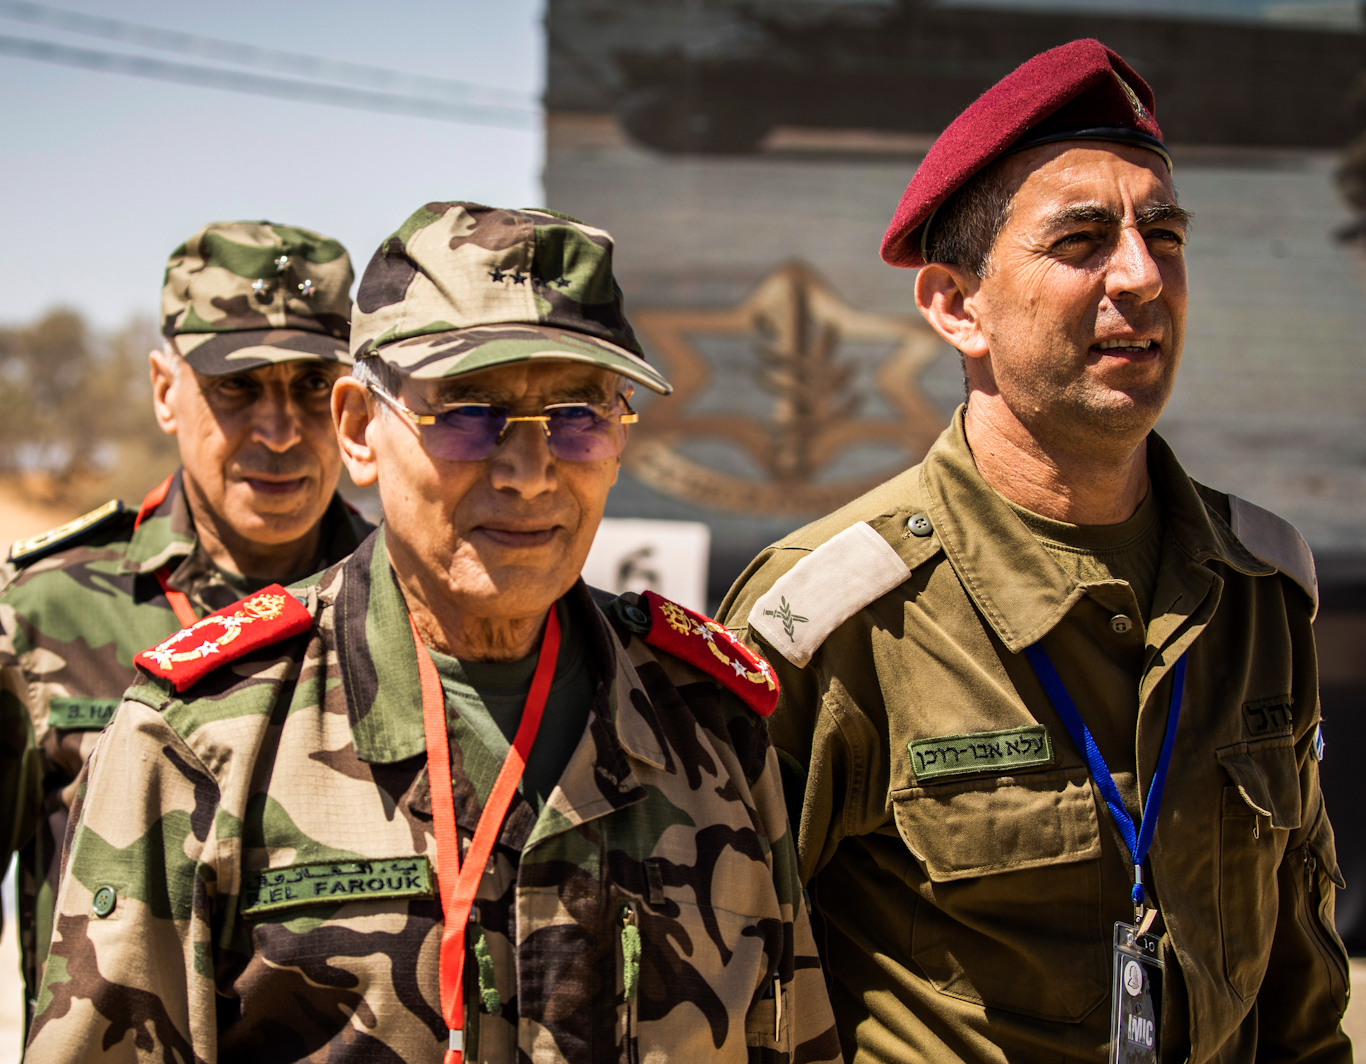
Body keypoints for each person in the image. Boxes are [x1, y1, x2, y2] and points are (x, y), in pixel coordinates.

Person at [26, 202, 841, 1064]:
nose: (529, 475)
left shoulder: (709, 718)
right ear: (358, 430)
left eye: (578, 416)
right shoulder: (196, 737)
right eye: (465, 412)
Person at [718, 39, 1349, 1064]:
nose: (1141, 276)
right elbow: (717, 986)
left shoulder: (1258, 587)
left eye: (1166, 234)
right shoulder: (836, 615)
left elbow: (1300, 991)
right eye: (1082, 241)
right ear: (955, 305)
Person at [0, 220, 373, 1025]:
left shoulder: (406, 611)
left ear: (352, 407)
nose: (278, 432)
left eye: (312, 385)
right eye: (237, 387)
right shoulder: (43, 612)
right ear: (166, 390)